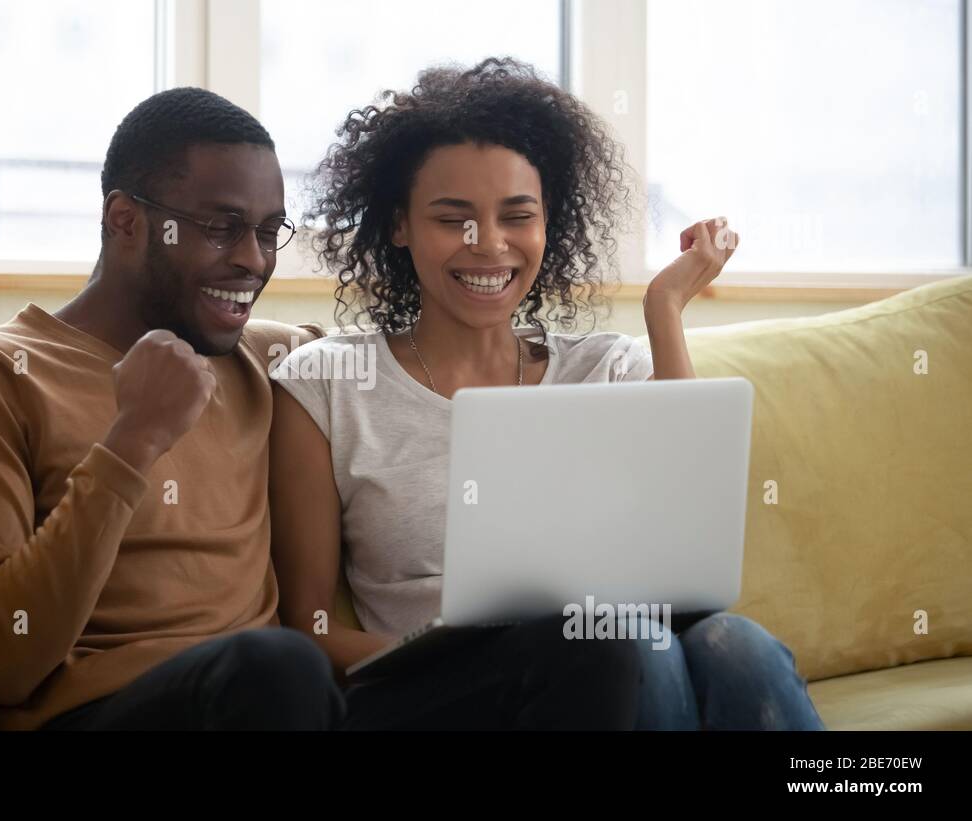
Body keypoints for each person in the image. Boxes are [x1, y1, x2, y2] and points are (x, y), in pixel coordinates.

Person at [269, 58, 825, 730]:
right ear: (398, 224)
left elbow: (690, 551)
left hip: (624, 666)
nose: (490, 245)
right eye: (454, 219)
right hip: (441, 692)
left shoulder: (605, 369)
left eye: (517, 216)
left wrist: (666, 306)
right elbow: (311, 626)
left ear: (547, 224)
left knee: (736, 645)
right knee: (613, 643)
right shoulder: (326, 385)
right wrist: (472, 652)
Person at [0, 87, 344, 730]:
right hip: (99, 714)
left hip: (279, 702)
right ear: (125, 221)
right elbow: (0, 658)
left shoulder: (275, 359)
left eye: (268, 231)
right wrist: (132, 439)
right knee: (277, 666)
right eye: (221, 227)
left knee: (534, 650)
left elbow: (408, 364)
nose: (253, 259)